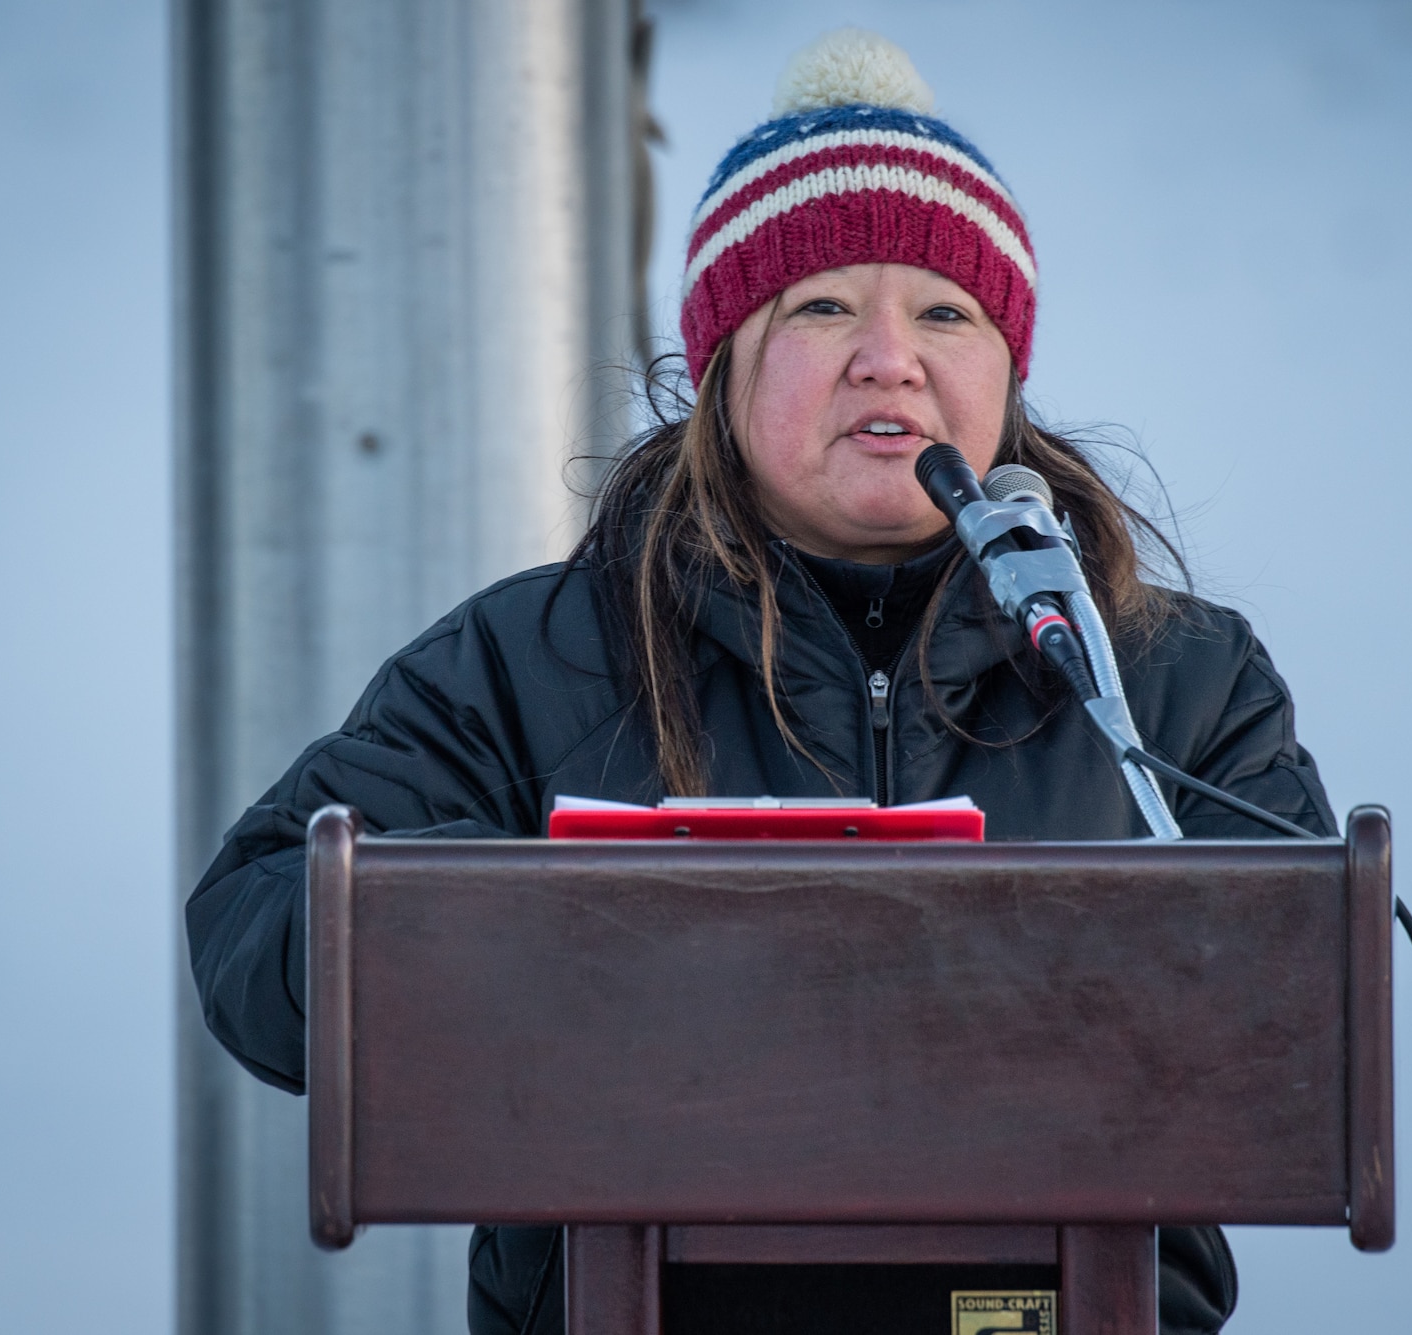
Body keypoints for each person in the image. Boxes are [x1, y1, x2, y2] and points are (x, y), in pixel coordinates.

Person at [187, 27, 1335, 1335]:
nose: (888, 357)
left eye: (946, 313)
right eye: (824, 306)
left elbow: (1300, 1031)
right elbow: (256, 932)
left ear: (1007, 378)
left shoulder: (1170, 680)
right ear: (724, 365)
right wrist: (511, 929)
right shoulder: (532, 660)